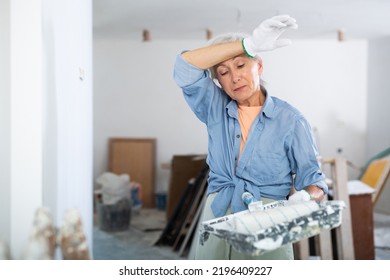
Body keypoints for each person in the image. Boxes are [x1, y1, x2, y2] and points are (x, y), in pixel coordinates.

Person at [173, 15, 328, 260]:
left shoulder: (291, 121)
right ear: (218, 82)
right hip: (218, 215)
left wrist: (305, 195)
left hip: (268, 220)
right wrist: (247, 46)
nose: (234, 77)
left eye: (241, 65)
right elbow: (184, 67)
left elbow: (317, 183)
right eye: (223, 72)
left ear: (259, 66)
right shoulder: (215, 109)